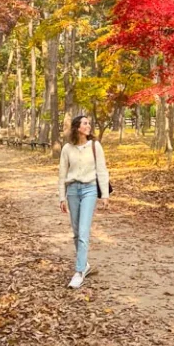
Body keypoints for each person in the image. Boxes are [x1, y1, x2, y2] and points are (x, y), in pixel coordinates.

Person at [58, 114, 109, 289]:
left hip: (90, 189)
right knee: (76, 232)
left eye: (89, 123)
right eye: (85, 123)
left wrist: (104, 195)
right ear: (77, 127)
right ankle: (85, 264)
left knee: (84, 230)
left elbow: (102, 170)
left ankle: (79, 271)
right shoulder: (67, 148)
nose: (88, 126)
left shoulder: (95, 146)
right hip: (72, 190)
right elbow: (62, 174)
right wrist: (61, 196)